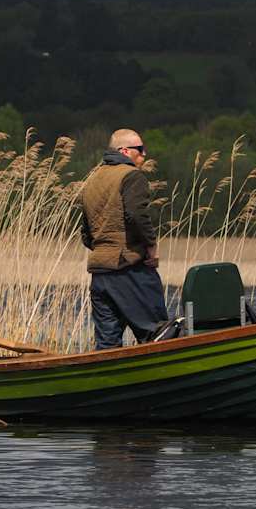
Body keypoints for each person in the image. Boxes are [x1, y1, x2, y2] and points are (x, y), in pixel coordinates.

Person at [79, 129, 170, 349]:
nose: (144, 154)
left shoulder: (93, 179)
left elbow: (85, 233)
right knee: (157, 336)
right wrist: (150, 246)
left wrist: (102, 249)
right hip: (129, 269)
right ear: (125, 151)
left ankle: (107, 382)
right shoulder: (132, 176)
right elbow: (136, 215)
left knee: (107, 346)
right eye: (140, 150)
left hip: (100, 273)